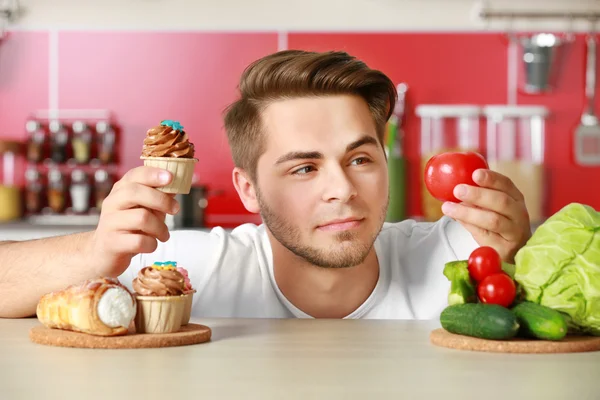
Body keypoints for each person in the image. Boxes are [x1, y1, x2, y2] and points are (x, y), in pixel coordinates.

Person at [0, 50, 531, 320]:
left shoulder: (460, 257)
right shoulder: (187, 273)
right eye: (304, 168)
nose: (342, 189)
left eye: (360, 158)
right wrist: (96, 251)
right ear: (248, 190)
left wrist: (522, 255)